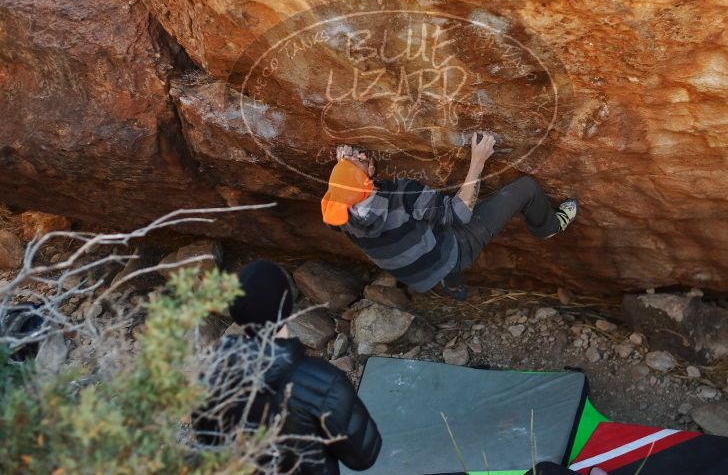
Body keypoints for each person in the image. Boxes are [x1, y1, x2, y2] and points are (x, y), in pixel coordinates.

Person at [321, 134, 578, 299]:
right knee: (526, 188)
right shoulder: (402, 193)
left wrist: (345, 167)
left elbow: (348, 192)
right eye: (360, 161)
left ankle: (453, 287)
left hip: (416, 271)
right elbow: (460, 213)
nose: (362, 156)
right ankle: (548, 227)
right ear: (370, 177)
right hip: (456, 247)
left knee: (433, 252)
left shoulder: (340, 216)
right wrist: (478, 160)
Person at [192, 260, 381, 475]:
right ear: (288, 306)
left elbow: (210, 443)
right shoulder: (324, 382)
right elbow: (363, 457)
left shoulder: (210, 376)